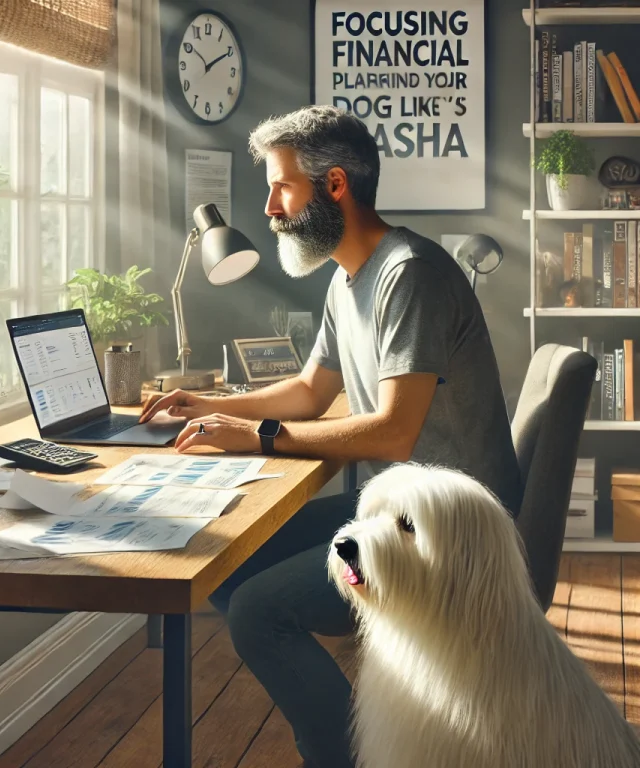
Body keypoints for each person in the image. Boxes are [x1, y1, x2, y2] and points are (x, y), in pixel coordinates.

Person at [139, 105, 523, 768]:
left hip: (447, 534)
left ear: (335, 185)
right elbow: (311, 393)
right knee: (232, 563)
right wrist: (204, 403)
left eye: (281, 187)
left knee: (259, 612)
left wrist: (257, 437)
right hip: (393, 511)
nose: (268, 208)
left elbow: (396, 430)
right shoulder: (349, 277)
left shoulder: (410, 273)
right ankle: (370, 733)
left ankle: (347, 757)